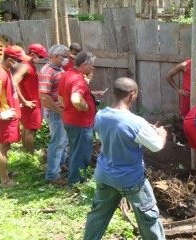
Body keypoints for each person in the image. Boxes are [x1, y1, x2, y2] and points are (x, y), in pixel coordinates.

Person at [84, 77, 167, 240]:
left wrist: (144, 131)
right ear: (132, 94)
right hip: (131, 180)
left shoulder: (100, 115)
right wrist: (161, 134)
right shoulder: (136, 122)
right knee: (148, 217)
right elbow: (156, 146)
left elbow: (103, 136)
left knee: (98, 215)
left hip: (105, 176)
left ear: (114, 93)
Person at [0, 45, 30, 187]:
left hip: (7, 113)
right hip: (5, 117)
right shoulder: (0, 74)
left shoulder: (2, 68)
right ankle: (4, 181)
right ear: (10, 60)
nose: (21, 63)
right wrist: (0, 112)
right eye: (18, 60)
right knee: (3, 147)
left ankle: (0, 173)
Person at [58, 51, 96, 186]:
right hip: (81, 124)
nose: (93, 68)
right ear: (85, 64)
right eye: (92, 65)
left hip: (70, 120)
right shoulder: (78, 79)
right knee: (82, 155)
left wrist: (70, 108)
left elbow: (61, 98)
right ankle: (77, 184)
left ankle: (74, 181)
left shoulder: (66, 74)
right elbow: (75, 99)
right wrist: (84, 107)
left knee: (75, 152)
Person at [38, 44, 70, 185]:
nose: (67, 60)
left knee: (63, 141)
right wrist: (60, 111)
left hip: (61, 112)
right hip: (55, 113)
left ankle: (60, 165)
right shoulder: (47, 71)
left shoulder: (58, 69)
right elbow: (44, 97)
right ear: (56, 56)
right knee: (57, 143)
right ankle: (52, 175)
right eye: (65, 57)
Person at [13, 43, 49, 154]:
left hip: (31, 101)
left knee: (27, 128)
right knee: (31, 130)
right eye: (40, 56)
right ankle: (30, 155)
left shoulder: (29, 64)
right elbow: (14, 82)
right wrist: (24, 101)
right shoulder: (25, 66)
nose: (41, 59)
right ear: (32, 54)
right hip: (30, 103)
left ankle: (26, 153)